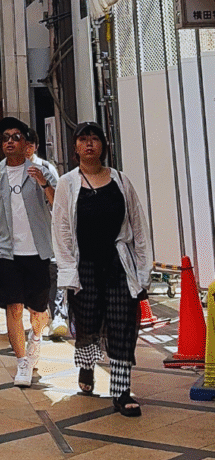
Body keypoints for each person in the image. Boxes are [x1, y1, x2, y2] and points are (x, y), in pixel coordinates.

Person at [52, 121, 152, 416]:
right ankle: (86, 367)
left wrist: (144, 269)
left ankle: (121, 391)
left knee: (122, 325)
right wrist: (68, 270)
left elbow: (138, 226)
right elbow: (61, 232)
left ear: (103, 146)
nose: (89, 144)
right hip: (85, 266)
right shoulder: (67, 184)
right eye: (83, 139)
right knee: (87, 323)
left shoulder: (121, 181)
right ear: (76, 148)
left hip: (118, 264)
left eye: (94, 139)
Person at [0, 117, 57, 387]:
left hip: (39, 252)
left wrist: (44, 183)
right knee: (13, 306)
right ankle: (22, 362)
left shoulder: (41, 171)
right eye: (6, 137)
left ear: (26, 143)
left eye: (15, 137)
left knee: (38, 310)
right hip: (7, 253)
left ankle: (36, 339)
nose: (9, 141)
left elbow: (59, 205)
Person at [26, 130, 69, 339]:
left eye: (28, 145)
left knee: (54, 272)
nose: (24, 149)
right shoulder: (11, 170)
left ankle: (59, 317)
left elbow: (58, 201)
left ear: (35, 146)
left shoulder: (46, 168)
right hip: (26, 237)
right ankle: (41, 316)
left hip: (49, 231)